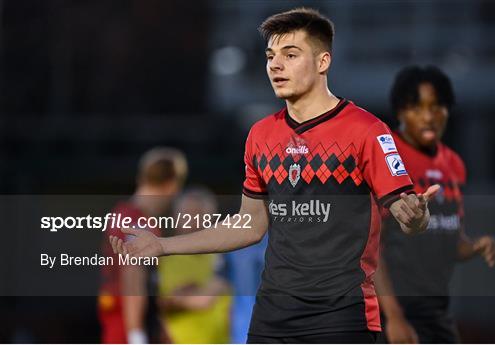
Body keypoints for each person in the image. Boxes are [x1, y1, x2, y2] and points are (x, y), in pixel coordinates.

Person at [110, 8, 439, 343]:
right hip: (273, 317)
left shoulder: (366, 131)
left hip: (340, 316)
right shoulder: (261, 136)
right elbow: (250, 225)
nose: (275, 65)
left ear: (323, 62)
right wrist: (163, 245)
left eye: (290, 55)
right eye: (271, 56)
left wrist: (415, 216)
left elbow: (404, 210)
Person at [374, 65, 495, 343]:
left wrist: (476, 245)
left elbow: (450, 239)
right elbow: (368, 245)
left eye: (436, 106)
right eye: (417, 107)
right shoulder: (387, 157)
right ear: (400, 112)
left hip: (436, 311)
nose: (428, 116)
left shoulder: (454, 165)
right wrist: (394, 317)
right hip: (391, 312)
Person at [98, 147, 188, 344]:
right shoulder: (138, 223)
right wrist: (136, 335)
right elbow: (133, 274)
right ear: (172, 184)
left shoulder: (123, 214)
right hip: (128, 327)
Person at [158, 187, 231, 344]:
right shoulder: (161, 259)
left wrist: (181, 297)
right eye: (187, 216)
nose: (193, 222)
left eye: (199, 216)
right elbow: (156, 305)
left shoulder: (224, 258)